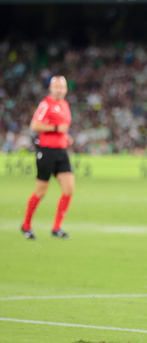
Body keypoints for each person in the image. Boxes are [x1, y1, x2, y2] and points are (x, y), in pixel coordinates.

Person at [21, 75, 74, 240]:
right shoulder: (46, 104)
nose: (59, 90)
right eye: (56, 87)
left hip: (61, 151)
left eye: (62, 87)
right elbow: (35, 125)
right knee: (41, 191)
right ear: (50, 88)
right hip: (47, 151)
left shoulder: (64, 104)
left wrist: (65, 136)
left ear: (66, 89)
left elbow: (62, 129)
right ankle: (26, 225)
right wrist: (57, 128)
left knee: (69, 188)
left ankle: (56, 227)